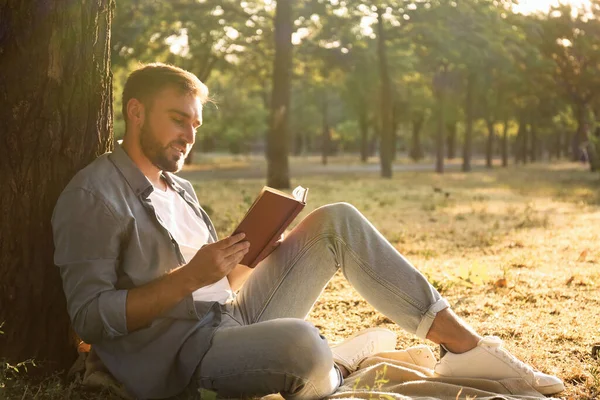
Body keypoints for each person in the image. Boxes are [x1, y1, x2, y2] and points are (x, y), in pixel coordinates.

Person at [52, 63, 564, 400]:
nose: (188, 136)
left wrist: (247, 260)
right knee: (302, 346)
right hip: (183, 355)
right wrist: (188, 278)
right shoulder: (94, 195)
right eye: (177, 120)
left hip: (232, 314)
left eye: (195, 125)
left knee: (336, 219)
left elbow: (217, 287)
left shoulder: (177, 187)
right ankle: (335, 362)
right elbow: (89, 318)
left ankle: (465, 350)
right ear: (135, 111)